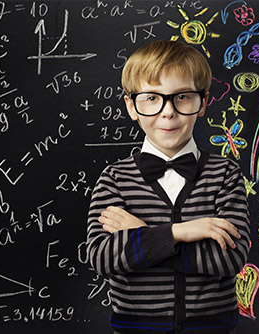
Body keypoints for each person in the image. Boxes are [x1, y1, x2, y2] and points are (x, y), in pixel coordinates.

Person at [87, 40, 250, 334]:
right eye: (151, 97)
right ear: (131, 106)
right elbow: (103, 257)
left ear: (202, 102)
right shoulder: (114, 178)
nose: (168, 112)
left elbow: (229, 258)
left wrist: (143, 236)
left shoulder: (225, 174)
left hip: (213, 328)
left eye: (183, 97)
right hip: (136, 328)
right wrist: (180, 232)